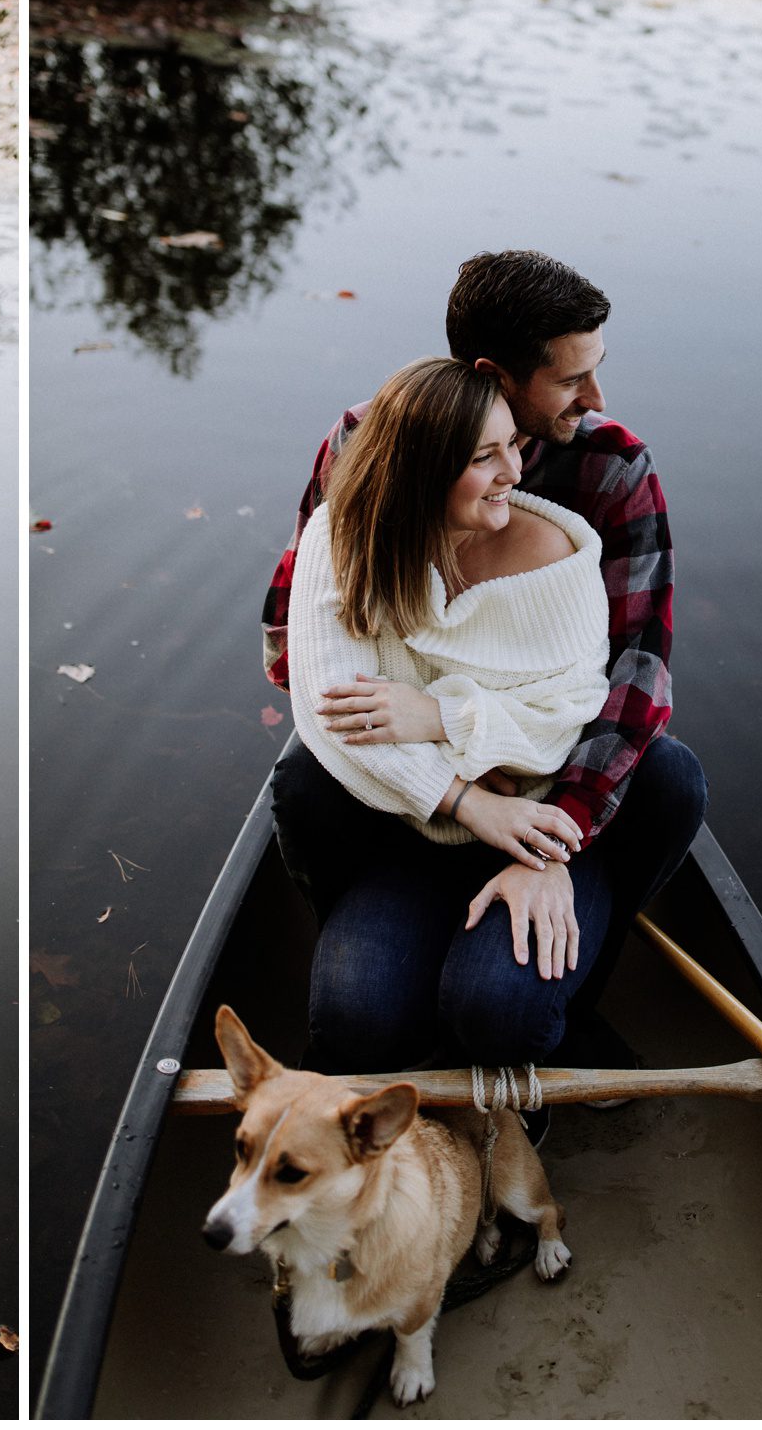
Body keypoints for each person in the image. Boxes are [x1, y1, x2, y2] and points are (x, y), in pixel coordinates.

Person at [263, 251, 707, 1069]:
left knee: (671, 775)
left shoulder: (610, 467)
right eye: (571, 380)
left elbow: (636, 673)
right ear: (493, 377)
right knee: (301, 782)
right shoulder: (368, 445)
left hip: (551, 781)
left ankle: (568, 1002)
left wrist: (550, 831)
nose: (597, 399)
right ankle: (377, 940)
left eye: (595, 371)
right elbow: (295, 641)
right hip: (406, 785)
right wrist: (448, 785)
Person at [288, 357, 613, 1068]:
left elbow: (564, 721)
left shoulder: (558, 561)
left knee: (496, 1013)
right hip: (413, 824)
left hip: (539, 824)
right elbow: (338, 721)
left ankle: (573, 1014)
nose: (514, 473)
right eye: (484, 457)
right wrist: (464, 799)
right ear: (421, 472)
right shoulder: (338, 540)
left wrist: (441, 715)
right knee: (351, 1020)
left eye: (513, 447)